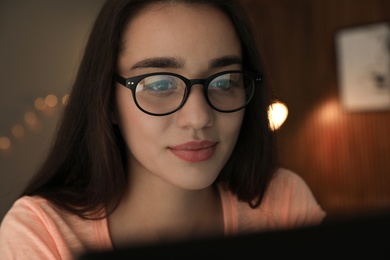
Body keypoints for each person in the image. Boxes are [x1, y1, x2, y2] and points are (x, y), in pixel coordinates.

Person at [0, 0, 326, 259]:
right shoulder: (42, 233)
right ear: (108, 101)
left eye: (225, 81)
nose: (198, 118)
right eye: (159, 85)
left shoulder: (281, 201)